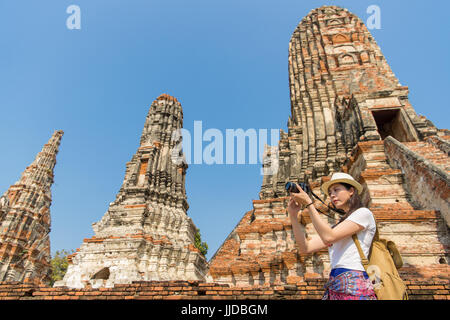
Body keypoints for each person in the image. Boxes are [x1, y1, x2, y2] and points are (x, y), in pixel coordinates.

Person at [287, 172, 377, 300]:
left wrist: (309, 204)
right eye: (330, 193)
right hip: (335, 283)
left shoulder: (363, 214)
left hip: (354, 281)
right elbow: (305, 248)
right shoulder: (340, 225)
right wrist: (293, 216)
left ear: (351, 191)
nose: (332, 195)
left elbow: (329, 237)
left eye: (336, 190)